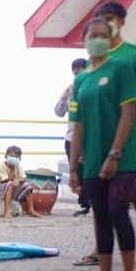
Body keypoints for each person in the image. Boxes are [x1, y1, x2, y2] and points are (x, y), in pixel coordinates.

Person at [75, 0, 136, 266]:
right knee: (102, 193)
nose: (107, 22)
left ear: (121, 21)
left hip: (128, 136)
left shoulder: (135, 54)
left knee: (126, 192)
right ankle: (102, 247)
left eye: (111, 18)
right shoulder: (96, 58)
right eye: (102, 18)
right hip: (97, 139)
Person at [69, 17, 136, 271]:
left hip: (121, 157)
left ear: (110, 40)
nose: (98, 39)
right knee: (100, 216)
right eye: (93, 35)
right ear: (85, 40)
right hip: (92, 160)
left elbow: (128, 113)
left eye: (103, 35)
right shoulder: (81, 80)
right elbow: (78, 126)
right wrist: (74, 166)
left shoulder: (121, 69)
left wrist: (115, 154)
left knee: (117, 211)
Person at [54, 58, 91, 216]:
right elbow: (58, 112)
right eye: (75, 72)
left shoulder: (92, 89)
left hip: (89, 138)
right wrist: (63, 97)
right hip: (71, 138)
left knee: (89, 171)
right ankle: (84, 203)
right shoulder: (71, 90)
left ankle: (89, 202)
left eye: (80, 71)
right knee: (75, 170)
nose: (77, 74)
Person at [0, 145, 41, 219]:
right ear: (6, 156)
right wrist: (15, 179)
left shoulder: (17, 165)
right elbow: (5, 180)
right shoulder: (1, 166)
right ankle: (7, 211)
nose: (13, 158)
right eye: (11, 156)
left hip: (13, 187)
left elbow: (24, 178)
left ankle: (31, 210)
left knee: (28, 186)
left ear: (19, 158)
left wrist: (18, 181)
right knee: (10, 184)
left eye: (16, 157)